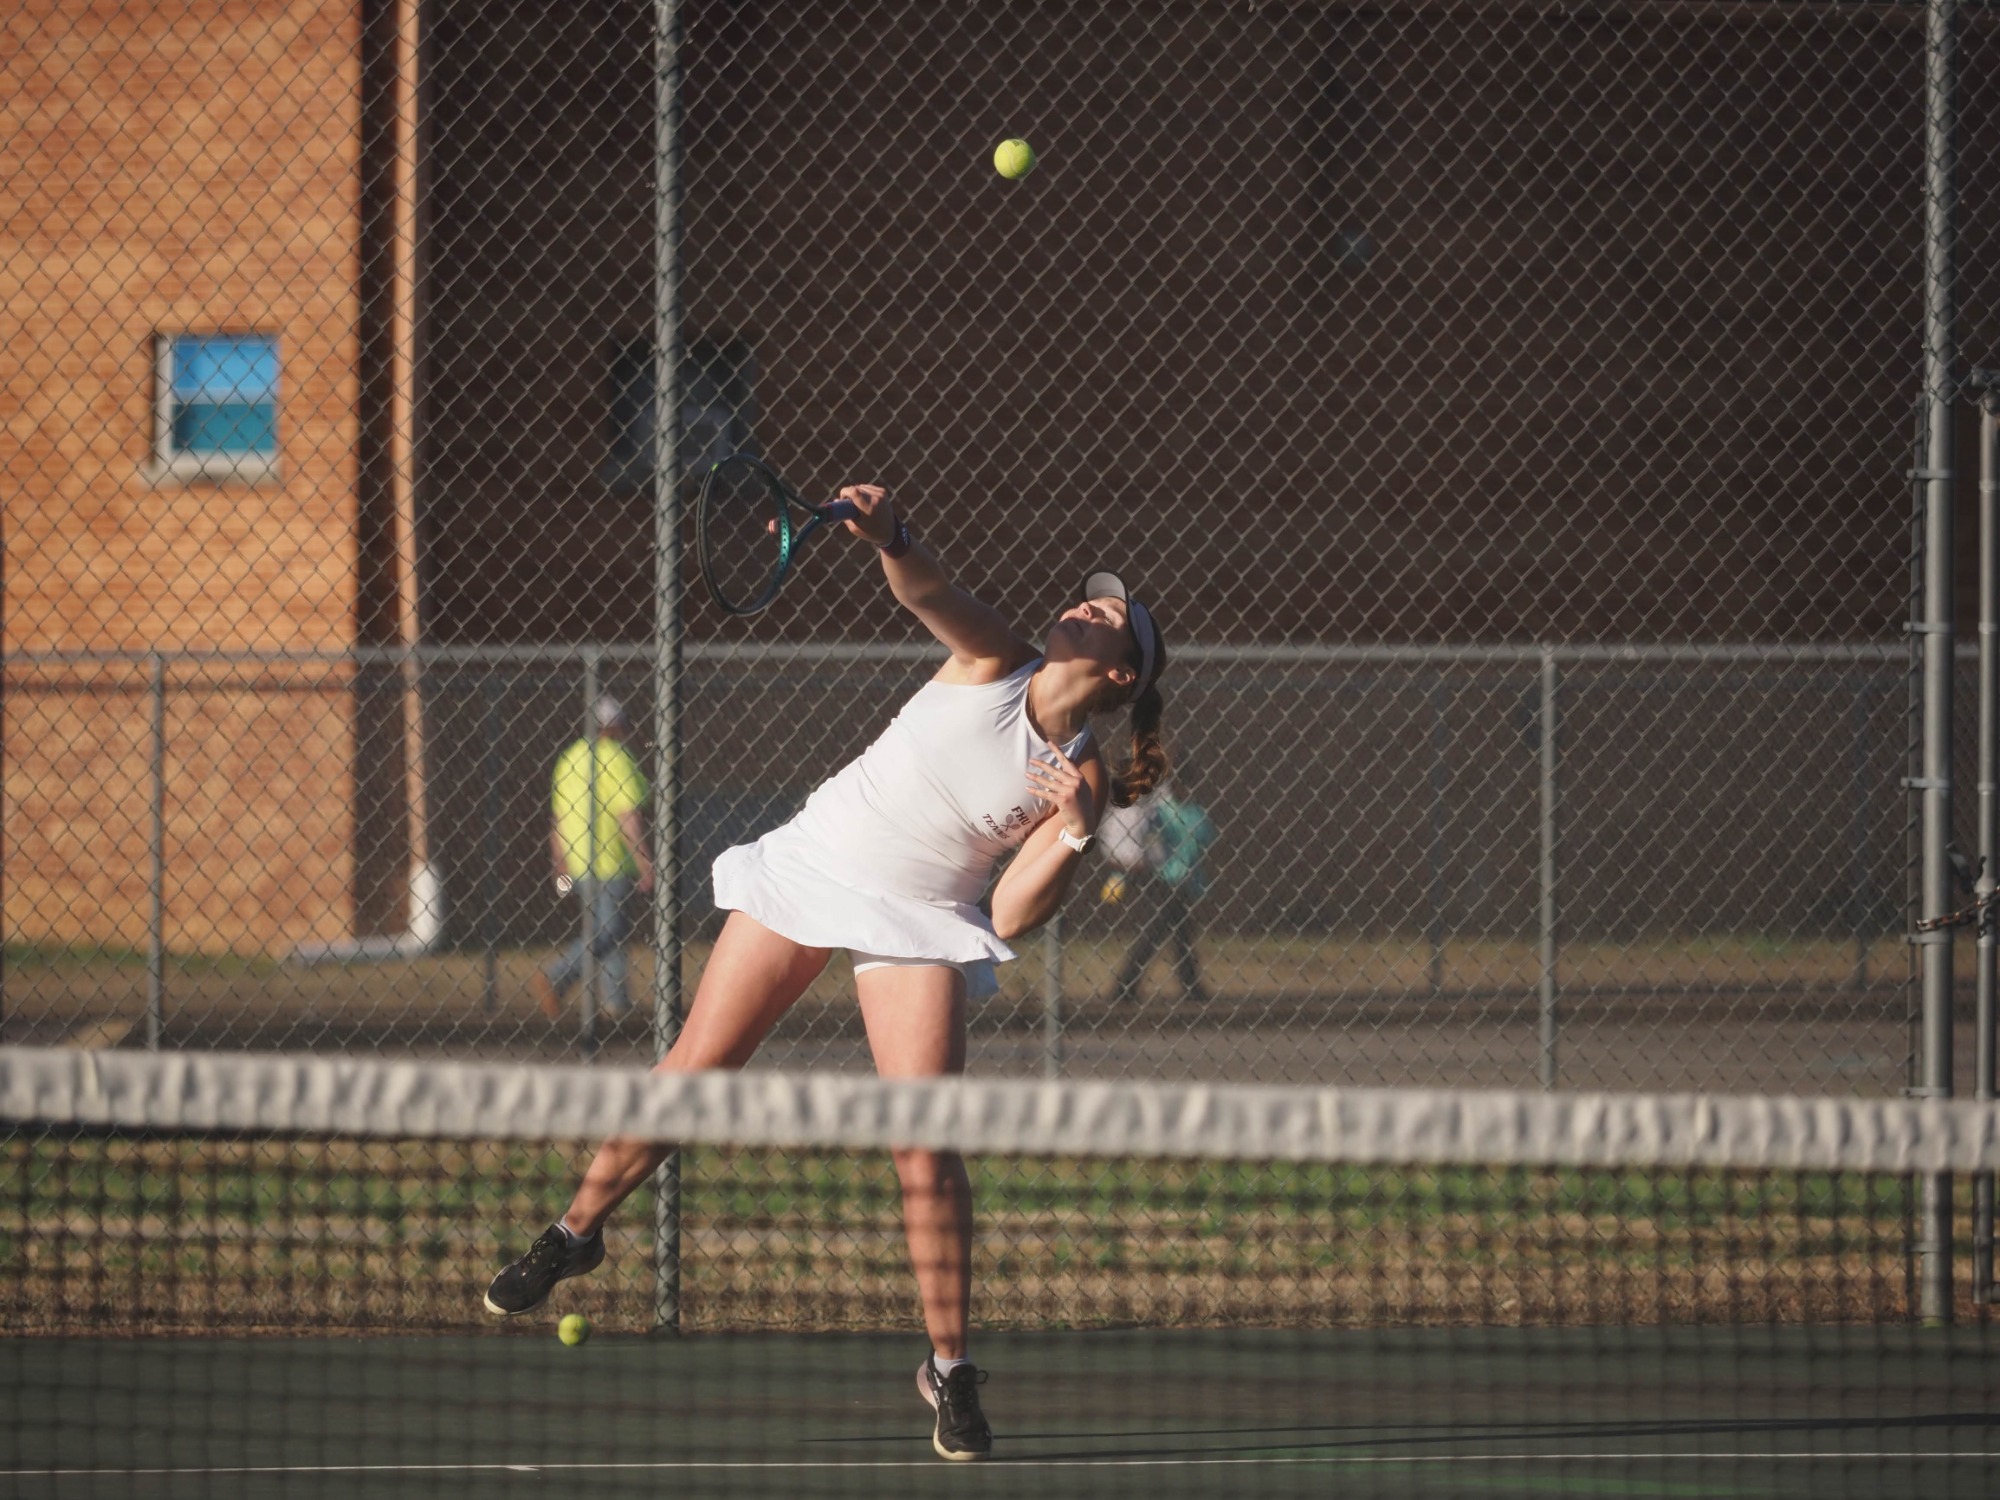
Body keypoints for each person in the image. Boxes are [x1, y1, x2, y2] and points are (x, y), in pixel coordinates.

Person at [484, 484, 1169, 1464]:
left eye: (1107, 613)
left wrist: (1069, 828)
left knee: (921, 1150)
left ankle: (950, 1370)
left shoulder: (1081, 772)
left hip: (924, 918)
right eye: (1088, 598)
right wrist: (888, 531)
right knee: (696, 1069)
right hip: (815, 864)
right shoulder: (993, 657)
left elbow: (1012, 914)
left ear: (1119, 667)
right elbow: (925, 587)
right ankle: (574, 1231)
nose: (1085, 604)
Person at [532, 695, 656, 1025]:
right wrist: (644, 860)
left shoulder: (569, 758)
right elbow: (627, 816)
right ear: (617, 728)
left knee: (608, 931)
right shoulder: (618, 759)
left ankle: (617, 1003)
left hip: (578, 861)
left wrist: (559, 860)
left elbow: (557, 818)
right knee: (609, 930)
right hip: (612, 861)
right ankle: (557, 976)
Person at [1099, 779, 1213, 1005]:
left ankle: (1185, 985)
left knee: (1178, 932)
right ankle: (1127, 987)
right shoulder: (1159, 810)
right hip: (1159, 879)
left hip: (1180, 881)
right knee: (1163, 933)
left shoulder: (1190, 812)